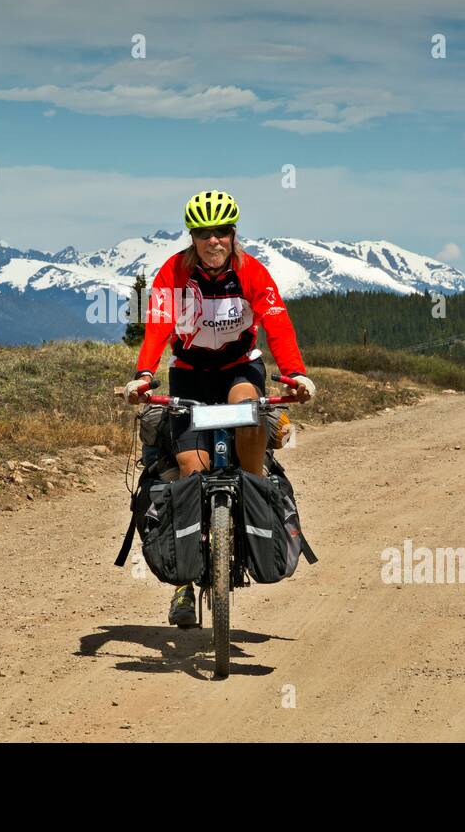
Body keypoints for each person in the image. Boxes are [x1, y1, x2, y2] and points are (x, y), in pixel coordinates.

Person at [124, 190, 317, 626]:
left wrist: (294, 374)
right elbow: (158, 324)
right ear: (193, 237)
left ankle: (254, 499)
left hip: (238, 369)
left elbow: (276, 322)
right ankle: (183, 586)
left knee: (248, 412)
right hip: (190, 373)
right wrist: (142, 374)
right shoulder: (173, 272)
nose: (214, 241)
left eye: (222, 233)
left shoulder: (252, 272)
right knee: (191, 469)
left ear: (234, 234)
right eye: (204, 234)